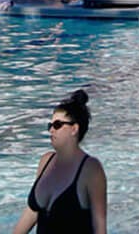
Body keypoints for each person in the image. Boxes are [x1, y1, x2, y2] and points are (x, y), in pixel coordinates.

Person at [13, 89, 107, 234]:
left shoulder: (91, 170)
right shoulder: (46, 161)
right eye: (50, 126)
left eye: (57, 125)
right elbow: (33, 212)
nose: (51, 130)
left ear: (74, 129)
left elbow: (100, 228)